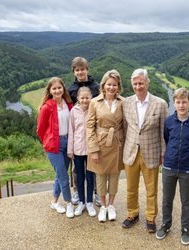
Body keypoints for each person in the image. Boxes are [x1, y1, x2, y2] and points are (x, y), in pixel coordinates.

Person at [156, 88, 189, 245]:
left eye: (184, 102)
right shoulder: (169, 121)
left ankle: (185, 229)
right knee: (167, 199)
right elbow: (167, 138)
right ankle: (166, 225)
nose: (181, 105)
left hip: (188, 169)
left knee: (186, 201)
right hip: (169, 167)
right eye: (178, 102)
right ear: (175, 103)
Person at [122, 69, 168, 233]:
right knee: (130, 187)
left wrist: (163, 153)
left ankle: (150, 217)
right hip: (131, 153)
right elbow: (126, 128)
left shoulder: (160, 104)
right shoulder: (126, 103)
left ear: (147, 83)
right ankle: (132, 214)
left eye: (141, 83)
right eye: (135, 83)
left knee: (151, 189)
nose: (138, 86)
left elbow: (164, 131)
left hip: (152, 152)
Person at [87, 69, 125, 222]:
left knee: (115, 176)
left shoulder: (123, 102)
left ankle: (111, 205)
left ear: (118, 86)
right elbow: (89, 127)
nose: (111, 88)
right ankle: (103, 206)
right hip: (100, 144)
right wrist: (93, 150)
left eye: (114, 85)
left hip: (117, 143)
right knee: (101, 176)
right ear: (103, 85)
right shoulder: (94, 102)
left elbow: (126, 125)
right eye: (109, 84)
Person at [37, 77, 74, 218]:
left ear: (63, 89)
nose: (57, 90)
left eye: (59, 88)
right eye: (54, 88)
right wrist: (47, 142)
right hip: (54, 146)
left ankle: (53, 202)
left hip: (67, 143)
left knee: (60, 175)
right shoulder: (47, 107)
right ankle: (69, 203)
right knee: (64, 177)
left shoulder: (68, 104)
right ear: (50, 91)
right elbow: (40, 129)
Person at [68, 56, 101, 207]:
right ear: (74, 72)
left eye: (83, 69)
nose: (80, 72)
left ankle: (96, 191)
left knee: (94, 165)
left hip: (94, 132)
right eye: (77, 70)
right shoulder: (71, 89)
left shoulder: (96, 87)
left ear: (87, 69)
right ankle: (77, 190)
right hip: (79, 133)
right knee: (77, 168)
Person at [67, 87, 96, 217]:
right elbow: (71, 131)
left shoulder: (94, 109)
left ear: (91, 97)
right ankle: (81, 202)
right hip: (78, 150)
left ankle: (90, 202)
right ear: (78, 98)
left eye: (87, 97)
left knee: (90, 177)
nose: (85, 100)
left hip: (90, 149)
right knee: (79, 177)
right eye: (82, 98)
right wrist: (70, 149)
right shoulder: (74, 111)